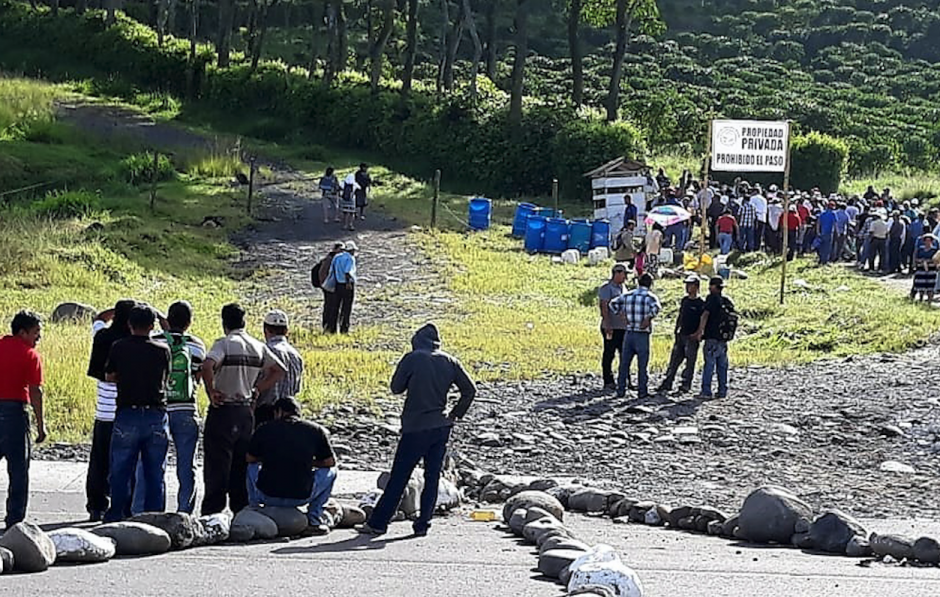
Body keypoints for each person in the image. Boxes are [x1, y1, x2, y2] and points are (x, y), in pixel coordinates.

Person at [360, 324, 476, 537]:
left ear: (416, 342)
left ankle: (378, 523)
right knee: (432, 477)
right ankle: (423, 524)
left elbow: (396, 388)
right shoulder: (450, 361)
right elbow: (470, 390)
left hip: (415, 426)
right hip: (441, 426)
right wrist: (455, 414)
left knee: (399, 477)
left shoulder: (412, 358)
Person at [201, 303, 286, 516]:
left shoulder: (224, 344)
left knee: (217, 464)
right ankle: (240, 509)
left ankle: (213, 511)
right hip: (246, 410)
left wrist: (211, 391)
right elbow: (278, 370)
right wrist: (257, 389)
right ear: (244, 321)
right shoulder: (257, 346)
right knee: (241, 462)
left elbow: (207, 365)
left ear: (224, 322)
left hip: (223, 409)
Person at [133, 301, 206, 515]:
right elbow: (198, 375)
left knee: (151, 463)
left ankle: (144, 511)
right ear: (189, 322)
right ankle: (185, 512)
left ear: (167, 319)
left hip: (158, 408)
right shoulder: (196, 345)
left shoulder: (154, 340)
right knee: (186, 465)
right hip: (186, 409)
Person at [103, 305, 171, 522]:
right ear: (152, 326)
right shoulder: (162, 350)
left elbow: (110, 375)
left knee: (121, 469)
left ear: (129, 325)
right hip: (155, 413)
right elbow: (166, 377)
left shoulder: (119, 347)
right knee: (155, 472)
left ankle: (117, 515)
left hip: (127, 412)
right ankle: (154, 518)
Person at [247, 397, 336, 535]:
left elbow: (250, 458)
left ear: (279, 412)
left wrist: (269, 458)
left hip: (267, 495)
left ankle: (254, 508)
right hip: (301, 496)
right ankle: (314, 518)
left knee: (251, 467)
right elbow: (330, 462)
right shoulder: (315, 430)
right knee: (332, 472)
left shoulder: (264, 428)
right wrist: (308, 462)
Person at [85, 299, 136, 521]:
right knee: (127, 462)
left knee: (99, 462)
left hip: (104, 410)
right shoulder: (135, 341)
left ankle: (96, 506)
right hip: (126, 409)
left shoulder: (101, 335)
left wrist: (113, 311)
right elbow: (164, 329)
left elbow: (97, 318)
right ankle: (124, 506)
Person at [0, 311, 46, 528]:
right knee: (18, 470)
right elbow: (36, 391)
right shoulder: (30, 355)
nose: (39, 337)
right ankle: (14, 520)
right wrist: (41, 425)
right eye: (36, 332)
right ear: (22, 332)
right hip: (14, 414)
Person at [610, 273, 661, 399]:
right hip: (642, 334)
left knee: (624, 363)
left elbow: (612, 304)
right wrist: (648, 318)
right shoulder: (650, 297)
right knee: (642, 365)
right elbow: (657, 308)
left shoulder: (628, 295)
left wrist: (621, 314)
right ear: (651, 284)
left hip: (629, 331)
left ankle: (621, 390)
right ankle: (642, 391)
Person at [255, 309, 304, 427]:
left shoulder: (264, 351)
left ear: (265, 330)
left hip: (266, 412)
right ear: (286, 331)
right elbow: (296, 388)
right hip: (290, 411)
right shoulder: (296, 355)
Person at [656, 275, 705, 394]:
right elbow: (681, 315)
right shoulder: (685, 300)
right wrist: (676, 328)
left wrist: (698, 333)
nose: (687, 287)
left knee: (690, 362)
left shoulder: (701, 303)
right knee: (674, 360)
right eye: (687, 285)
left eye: (690, 285)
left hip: (692, 336)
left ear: (697, 287)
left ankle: (685, 384)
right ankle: (668, 382)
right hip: (681, 334)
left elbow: (703, 320)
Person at [693, 277, 735, 400]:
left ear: (713, 287)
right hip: (723, 338)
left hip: (712, 337)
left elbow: (705, 315)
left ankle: (706, 391)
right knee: (722, 365)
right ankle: (722, 390)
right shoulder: (726, 301)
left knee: (709, 365)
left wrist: (700, 331)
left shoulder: (711, 299)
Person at [598, 263, 629, 391]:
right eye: (624, 274)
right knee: (609, 353)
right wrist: (607, 323)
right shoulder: (607, 288)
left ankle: (624, 379)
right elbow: (604, 306)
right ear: (617, 273)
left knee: (624, 353)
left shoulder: (623, 288)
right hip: (611, 326)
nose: (625, 277)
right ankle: (608, 380)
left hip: (623, 327)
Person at [323, 241, 358, 334]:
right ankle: (344, 329)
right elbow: (348, 272)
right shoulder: (350, 258)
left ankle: (332, 329)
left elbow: (332, 270)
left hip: (338, 284)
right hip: (347, 285)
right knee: (346, 308)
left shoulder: (337, 257)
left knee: (335, 307)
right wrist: (348, 283)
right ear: (352, 250)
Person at [314, 242, 345, 333]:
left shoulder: (331, 259)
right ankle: (329, 328)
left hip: (329, 287)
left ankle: (329, 327)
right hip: (329, 287)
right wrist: (325, 285)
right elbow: (323, 273)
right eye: (341, 250)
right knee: (331, 308)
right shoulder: (330, 259)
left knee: (330, 307)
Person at [911, 235, 938, 302]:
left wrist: (929, 261)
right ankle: (921, 299)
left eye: (929, 240)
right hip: (921, 269)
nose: (927, 242)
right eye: (926, 240)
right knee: (921, 286)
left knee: (930, 287)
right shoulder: (920, 249)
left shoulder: (934, 250)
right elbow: (916, 258)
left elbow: (936, 260)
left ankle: (929, 301)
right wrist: (919, 261)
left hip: (931, 270)